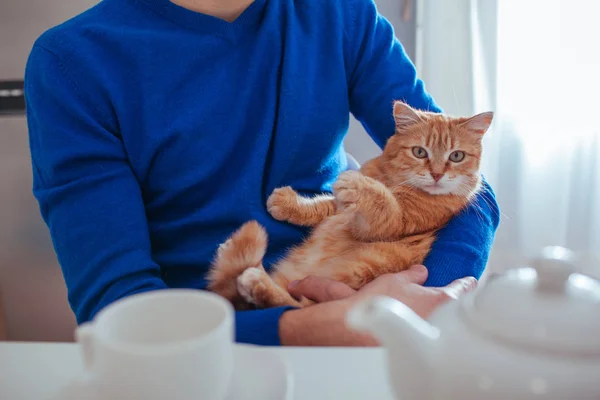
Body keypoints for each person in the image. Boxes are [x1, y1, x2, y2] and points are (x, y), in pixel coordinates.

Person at [24, 0, 499, 346]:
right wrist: (316, 326)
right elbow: (120, 306)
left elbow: (467, 189)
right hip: (196, 342)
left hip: (358, 297)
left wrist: (419, 293)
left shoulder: (341, 15)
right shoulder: (72, 63)